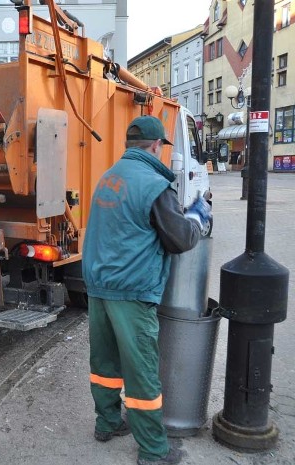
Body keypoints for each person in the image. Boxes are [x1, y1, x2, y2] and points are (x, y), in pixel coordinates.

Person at [81, 115, 211, 465]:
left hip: (98, 286)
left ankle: (106, 422)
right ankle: (154, 450)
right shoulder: (155, 185)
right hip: (132, 291)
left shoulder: (109, 178)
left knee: (104, 362)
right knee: (141, 371)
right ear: (157, 147)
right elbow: (180, 239)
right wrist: (198, 217)